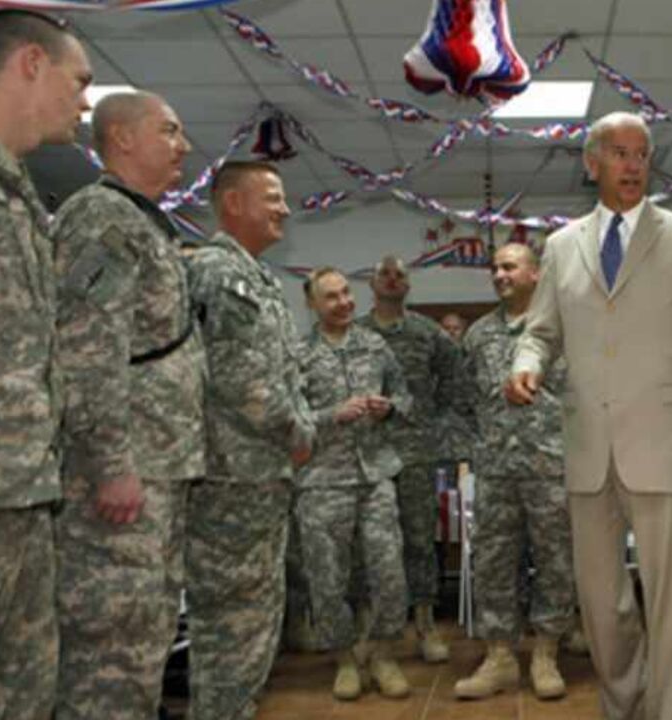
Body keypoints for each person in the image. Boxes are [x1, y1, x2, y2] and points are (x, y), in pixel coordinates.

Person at [505, 110, 672, 720]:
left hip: (663, 441)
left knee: (669, 605)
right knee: (602, 604)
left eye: (641, 154)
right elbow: (539, 332)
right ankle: (624, 704)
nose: (633, 164)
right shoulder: (560, 247)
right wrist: (524, 363)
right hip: (588, 446)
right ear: (592, 165)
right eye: (618, 153)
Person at [52, 91, 205, 720]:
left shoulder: (141, 222)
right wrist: (111, 464)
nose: (184, 146)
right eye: (169, 131)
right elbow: (87, 349)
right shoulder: (103, 219)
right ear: (121, 139)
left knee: (144, 637)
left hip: (158, 466)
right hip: (124, 476)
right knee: (112, 646)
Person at [0, 9, 91, 718]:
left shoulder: (18, 194)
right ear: (30, 63)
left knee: (25, 690)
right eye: (79, 81)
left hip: (21, 489)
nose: (86, 100)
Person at [184, 161, 315, 720]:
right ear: (233, 203)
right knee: (235, 626)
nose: (284, 209)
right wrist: (298, 430)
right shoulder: (222, 275)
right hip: (234, 477)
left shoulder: (254, 276)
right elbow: (245, 381)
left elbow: (280, 371)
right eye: (273, 198)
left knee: (254, 622)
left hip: (256, 476)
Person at [454, 243, 576, 701]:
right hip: (496, 471)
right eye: (495, 268)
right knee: (493, 562)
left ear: (535, 274)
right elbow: (467, 399)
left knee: (555, 560)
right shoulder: (479, 335)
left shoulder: (562, 330)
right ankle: (500, 657)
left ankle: (546, 652)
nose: (500, 274)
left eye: (509, 266)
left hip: (550, 467)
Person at [295, 267, 413, 702]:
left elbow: (406, 396)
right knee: (327, 578)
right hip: (322, 482)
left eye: (346, 293)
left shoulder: (374, 345)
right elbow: (287, 420)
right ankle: (344, 659)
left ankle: (382, 654)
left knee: (389, 570)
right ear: (312, 304)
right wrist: (330, 416)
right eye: (331, 297)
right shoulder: (299, 355)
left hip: (375, 475)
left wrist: (390, 408)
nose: (344, 302)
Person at [356, 256, 463, 664]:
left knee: (419, 539)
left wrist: (435, 425)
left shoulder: (427, 334)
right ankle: (370, 627)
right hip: (365, 453)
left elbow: (455, 383)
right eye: (384, 273)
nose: (392, 280)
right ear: (372, 282)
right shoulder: (356, 333)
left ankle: (424, 622)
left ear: (408, 285)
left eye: (400, 274)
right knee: (368, 543)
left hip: (415, 452)